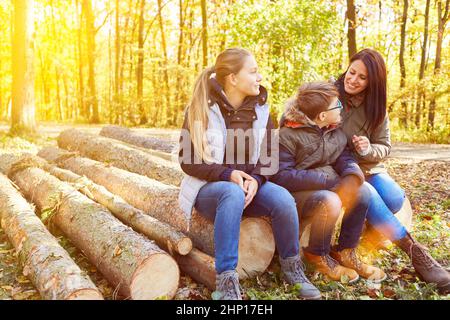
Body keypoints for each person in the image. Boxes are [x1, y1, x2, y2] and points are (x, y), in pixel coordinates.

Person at [178, 48, 321, 300]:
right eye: (253, 71)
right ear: (233, 78)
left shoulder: (262, 109)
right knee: (232, 192)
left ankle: (292, 268)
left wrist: (256, 179)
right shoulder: (201, 108)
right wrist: (227, 174)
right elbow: (188, 162)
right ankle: (226, 282)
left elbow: (269, 158)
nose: (259, 77)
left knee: (283, 199)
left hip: (249, 185)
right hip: (210, 189)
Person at [335, 48, 450, 293]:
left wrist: (368, 149)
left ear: (372, 82)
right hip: (340, 167)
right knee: (369, 193)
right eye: (351, 72)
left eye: (362, 77)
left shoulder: (377, 108)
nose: (352, 79)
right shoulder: (330, 95)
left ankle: (369, 225)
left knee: (395, 197)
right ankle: (416, 253)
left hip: (368, 166)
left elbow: (385, 147)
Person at [271, 82, 386, 283]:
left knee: (363, 192)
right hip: (297, 196)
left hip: (326, 186)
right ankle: (318, 254)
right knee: (330, 200)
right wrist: (324, 180)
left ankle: (346, 251)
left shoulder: (335, 132)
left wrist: (351, 176)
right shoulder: (287, 136)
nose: (342, 108)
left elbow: (344, 157)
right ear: (322, 116)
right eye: (337, 106)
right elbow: (281, 176)